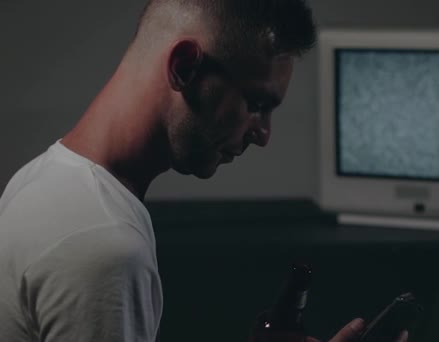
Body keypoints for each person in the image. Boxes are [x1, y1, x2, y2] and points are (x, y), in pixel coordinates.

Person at [0, 1, 408, 341]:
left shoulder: (41, 178)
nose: (263, 135)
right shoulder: (103, 246)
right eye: (256, 103)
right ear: (184, 67)